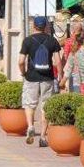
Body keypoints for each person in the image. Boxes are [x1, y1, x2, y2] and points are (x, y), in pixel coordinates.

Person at [19, 16, 62, 147]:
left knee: (29, 104)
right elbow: (58, 61)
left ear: (34, 26)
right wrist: (59, 75)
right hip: (47, 78)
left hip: (31, 77)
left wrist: (23, 72)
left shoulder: (27, 41)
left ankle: (31, 126)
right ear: (46, 27)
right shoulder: (52, 41)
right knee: (45, 106)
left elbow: (21, 61)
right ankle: (43, 136)